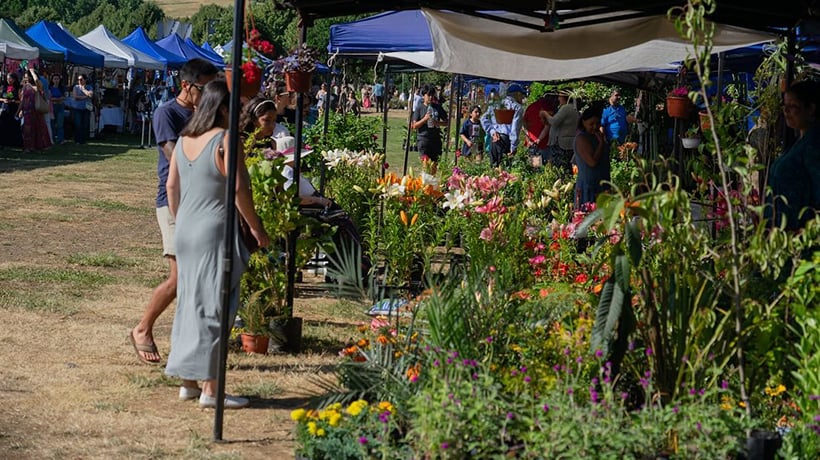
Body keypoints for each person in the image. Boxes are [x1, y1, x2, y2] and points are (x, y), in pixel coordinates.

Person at [165, 79, 270, 409]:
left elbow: (171, 187)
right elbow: (240, 189)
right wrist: (257, 230)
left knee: (190, 304)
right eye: (236, 108)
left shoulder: (184, 140)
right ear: (223, 108)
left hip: (185, 227)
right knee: (217, 306)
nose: (239, 114)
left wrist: (183, 219)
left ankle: (188, 382)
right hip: (214, 229)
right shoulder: (225, 139)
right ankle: (211, 389)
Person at [129, 58, 219, 365]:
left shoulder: (206, 114)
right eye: (204, 89)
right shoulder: (166, 113)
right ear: (186, 85)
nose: (209, 95)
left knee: (195, 275)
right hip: (173, 201)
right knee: (180, 276)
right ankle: (142, 329)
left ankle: (191, 341)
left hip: (200, 200)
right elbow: (176, 155)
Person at [766, 80, 820, 230]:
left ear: (810, 109)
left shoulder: (814, 145)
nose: (786, 111)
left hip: (800, 236)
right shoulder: (799, 142)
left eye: (793, 106)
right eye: (785, 106)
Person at [572, 106, 610, 210]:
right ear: (584, 122)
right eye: (591, 124)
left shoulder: (597, 136)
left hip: (601, 184)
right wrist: (601, 143)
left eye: (597, 123)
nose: (595, 126)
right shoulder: (581, 139)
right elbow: (592, 162)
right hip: (589, 186)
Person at [480, 83, 525, 168]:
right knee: (505, 172)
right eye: (522, 95)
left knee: (493, 170)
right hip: (506, 141)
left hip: (494, 140)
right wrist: (513, 147)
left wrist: (492, 131)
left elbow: (484, 119)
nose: (522, 98)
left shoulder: (496, 104)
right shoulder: (517, 107)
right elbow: (514, 129)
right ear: (517, 94)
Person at [411, 84, 446, 173]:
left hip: (435, 140)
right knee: (425, 165)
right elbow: (414, 126)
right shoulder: (419, 108)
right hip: (423, 140)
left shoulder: (438, 107)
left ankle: (431, 183)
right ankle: (425, 183)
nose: (430, 97)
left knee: (434, 166)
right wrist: (424, 119)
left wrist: (437, 123)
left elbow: (447, 122)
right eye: (428, 95)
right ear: (424, 95)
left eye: (432, 95)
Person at [542, 90, 580, 173]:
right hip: (568, 141)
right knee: (566, 166)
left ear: (564, 97)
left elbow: (554, 121)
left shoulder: (566, 108)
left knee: (561, 166)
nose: (558, 98)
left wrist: (545, 114)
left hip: (562, 143)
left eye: (560, 96)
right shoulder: (572, 107)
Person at [18, 69, 52, 152]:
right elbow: (23, 100)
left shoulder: (37, 86)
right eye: (25, 77)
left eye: (28, 77)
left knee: (38, 128)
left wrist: (32, 71)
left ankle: (39, 146)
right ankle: (28, 147)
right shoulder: (25, 87)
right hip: (27, 111)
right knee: (27, 129)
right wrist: (19, 111)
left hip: (36, 110)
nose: (26, 79)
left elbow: (36, 80)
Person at [523, 93, 559, 164]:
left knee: (534, 167)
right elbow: (547, 126)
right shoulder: (548, 108)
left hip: (531, 142)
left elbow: (523, 124)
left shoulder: (530, 107)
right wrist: (538, 139)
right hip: (544, 143)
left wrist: (528, 137)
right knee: (545, 168)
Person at [0, 72, 22, 149]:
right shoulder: (4, 87)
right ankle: (3, 142)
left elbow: (20, 100)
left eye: (10, 78)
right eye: (8, 78)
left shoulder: (18, 88)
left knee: (14, 125)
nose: (9, 80)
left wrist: (13, 101)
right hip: (5, 108)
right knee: (3, 125)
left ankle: (14, 143)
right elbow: (0, 97)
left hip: (13, 108)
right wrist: (3, 100)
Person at [70, 74, 94, 144]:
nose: (79, 81)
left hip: (87, 108)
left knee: (85, 124)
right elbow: (75, 97)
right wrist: (86, 96)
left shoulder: (89, 87)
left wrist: (83, 89)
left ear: (85, 80)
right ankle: (77, 140)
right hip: (77, 108)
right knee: (78, 124)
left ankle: (83, 140)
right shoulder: (76, 87)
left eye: (81, 79)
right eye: (78, 80)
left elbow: (91, 95)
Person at [49, 73, 66, 144]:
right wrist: (57, 99)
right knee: (52, 124)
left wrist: (56, 99)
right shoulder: (50, 88)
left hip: (60, 107)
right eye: (55, 79)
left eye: (57, 79)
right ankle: (52, 139)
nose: (56, 80)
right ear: (52, 80)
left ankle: (60, 139)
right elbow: (49, 98)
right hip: (52, 107)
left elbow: (64, 97)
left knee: (60, 124)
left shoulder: (62, 88)